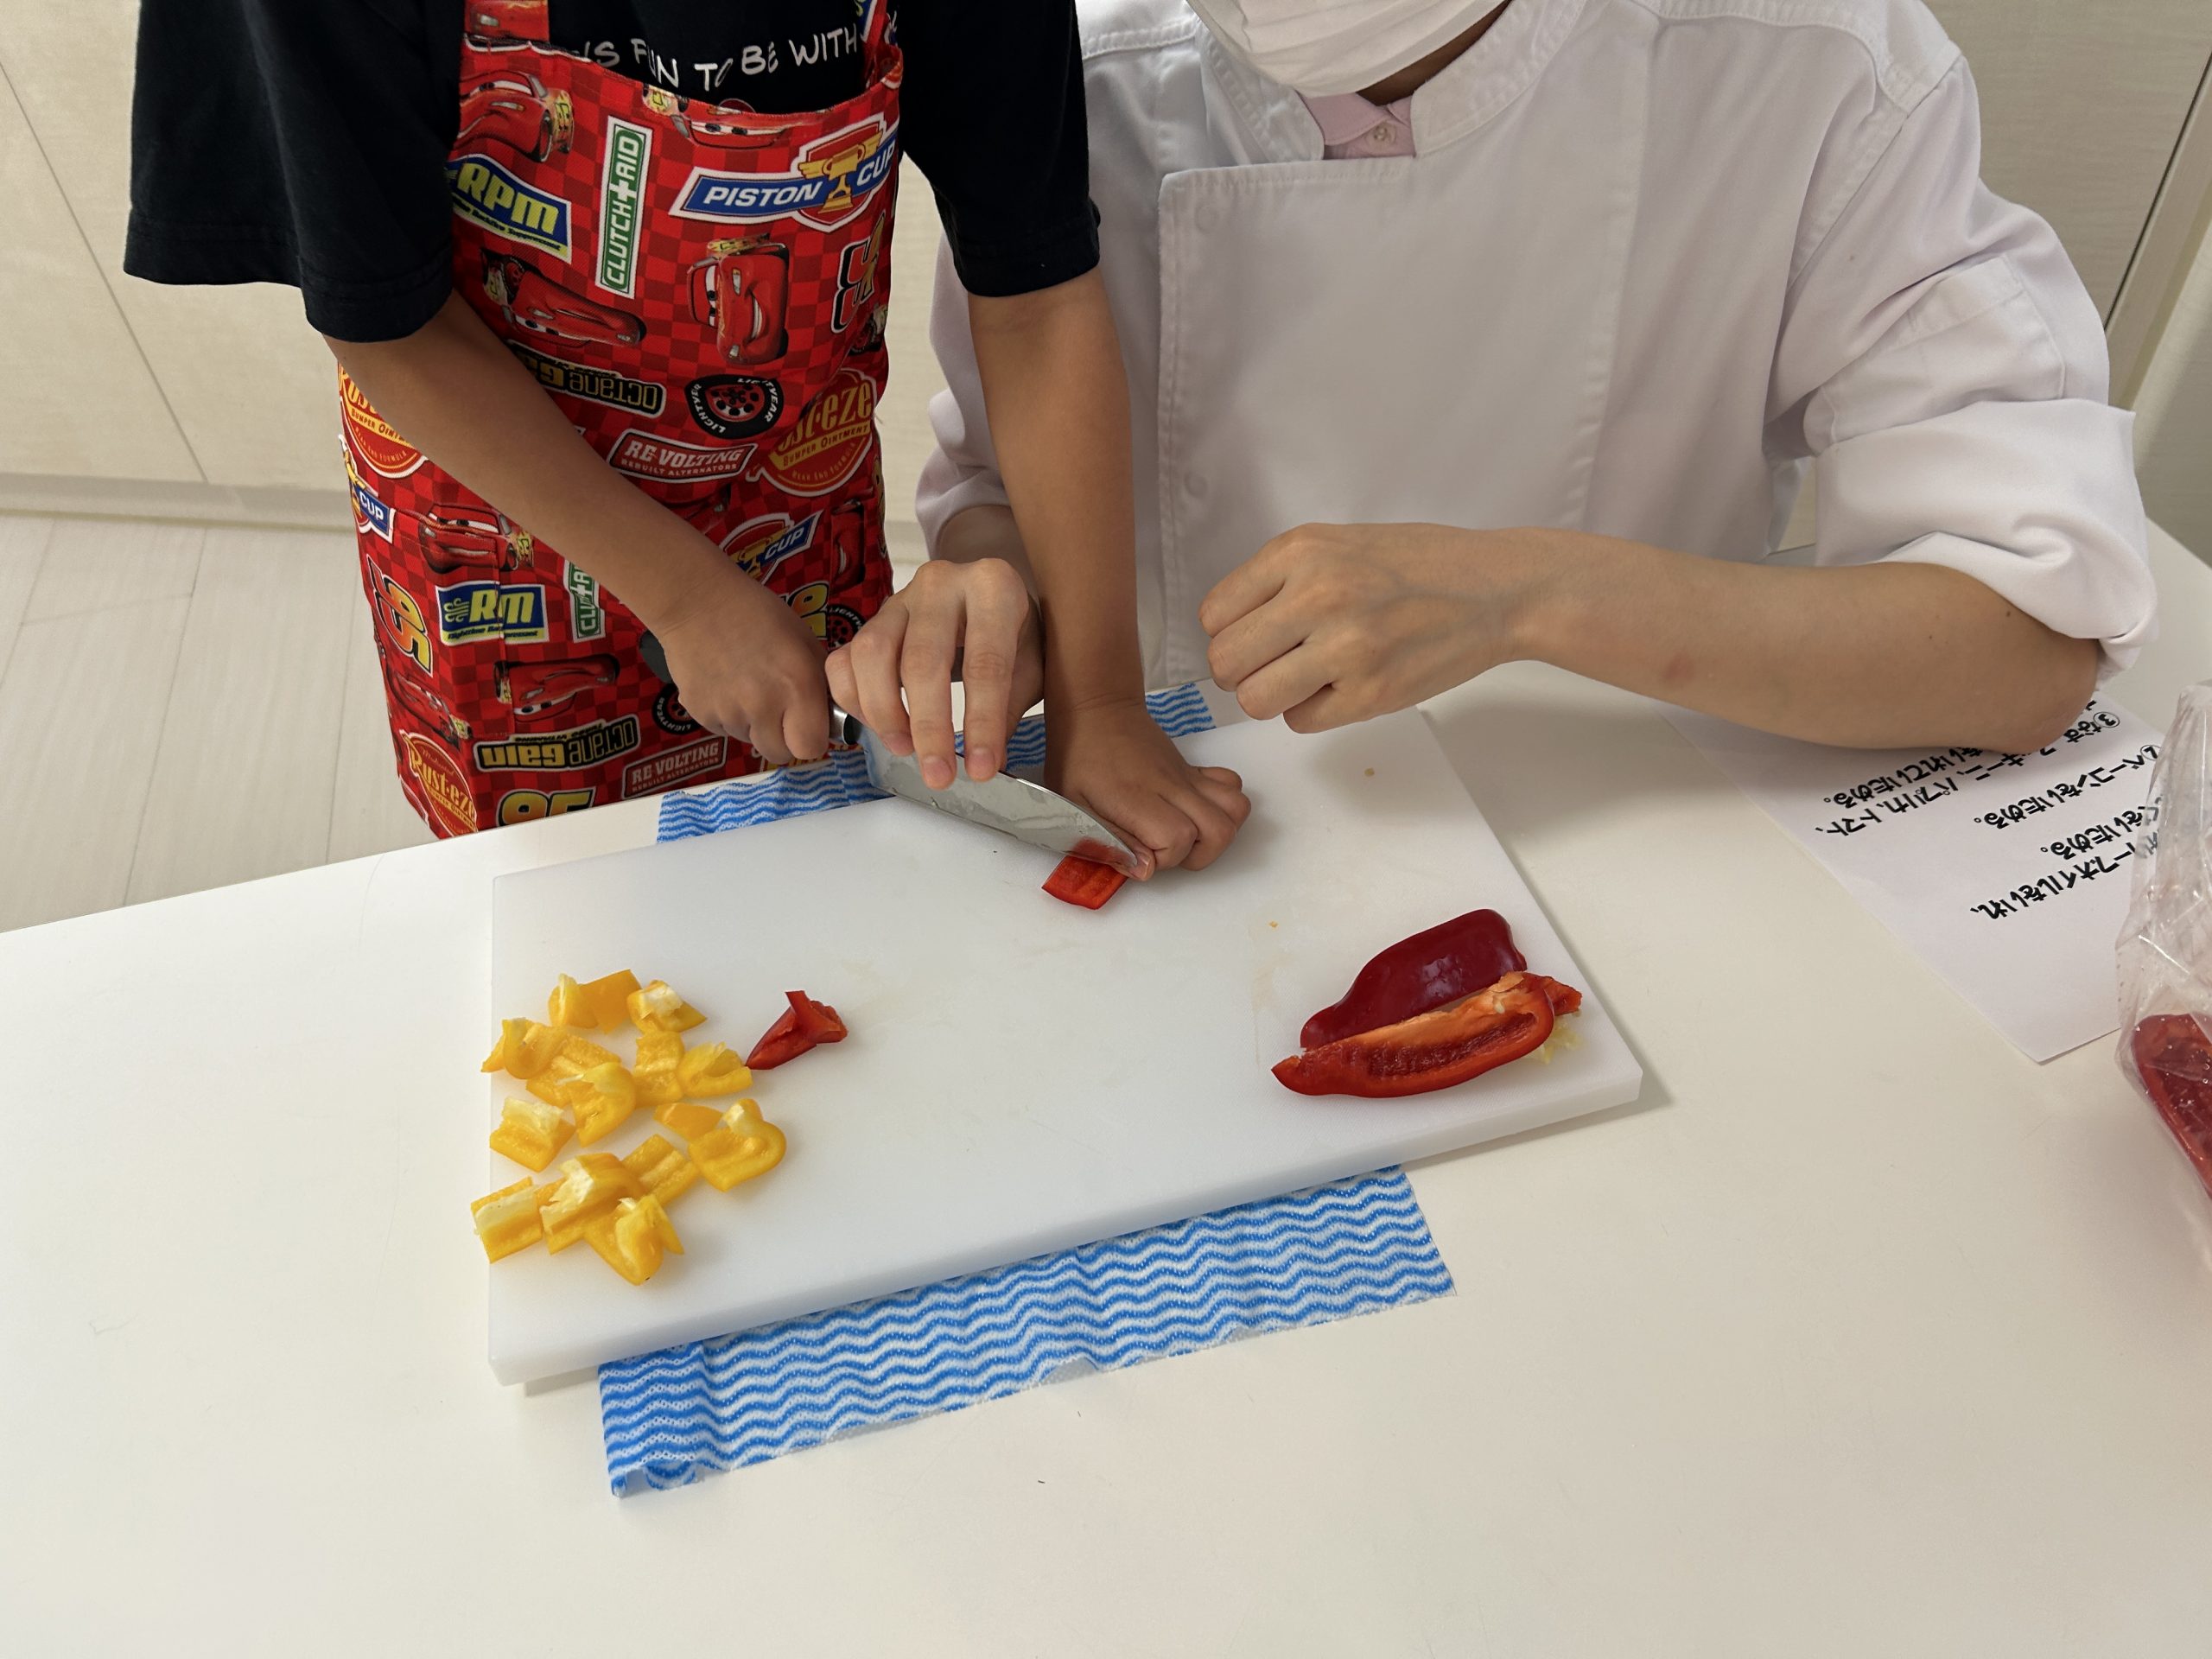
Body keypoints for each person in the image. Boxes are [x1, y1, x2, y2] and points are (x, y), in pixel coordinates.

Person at [127, 0, 1249, 872]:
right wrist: (689, 597)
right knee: (580, 931)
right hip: (504, 545)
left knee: (829, 861)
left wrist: (1103, 701)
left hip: (794, 495)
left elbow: (1036, 290)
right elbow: (389, 322)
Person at [916, 0, 2158, 757]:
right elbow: (992, 493)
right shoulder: (1070, 80)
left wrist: (1528, 595)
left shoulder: (1809, 65)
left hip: (1627, 819)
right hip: (1194, 812)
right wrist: (984, 595)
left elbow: (2025, 647)